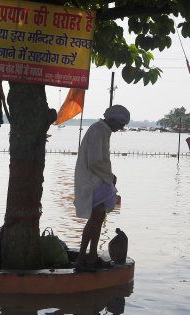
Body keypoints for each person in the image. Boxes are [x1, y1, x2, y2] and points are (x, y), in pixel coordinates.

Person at [74, 105, 130, 269]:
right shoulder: (99, 130)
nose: (121, 128)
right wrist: (110, 177)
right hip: (92, 180)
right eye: (120, 124)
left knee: (98, 218)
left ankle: (91, 255)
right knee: (95, 219)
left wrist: (109, 176)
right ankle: (82, 256)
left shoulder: (102, 130)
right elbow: (95, 161)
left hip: (97, 178)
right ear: (113, 120)